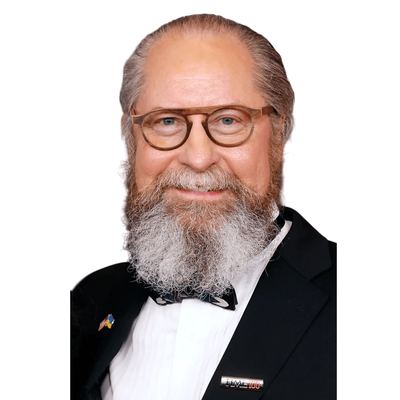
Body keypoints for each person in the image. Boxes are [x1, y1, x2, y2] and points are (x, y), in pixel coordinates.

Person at [71, 14, 336, 400]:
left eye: (229, 120)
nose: (197, 158)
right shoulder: (90, 300)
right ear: (131, 138)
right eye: (166, 121)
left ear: (279, 135)